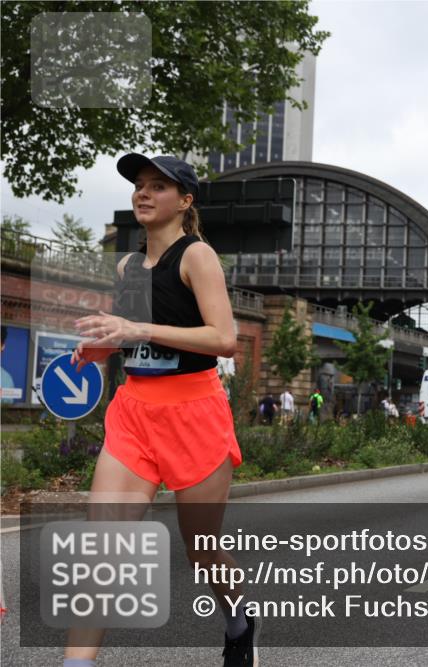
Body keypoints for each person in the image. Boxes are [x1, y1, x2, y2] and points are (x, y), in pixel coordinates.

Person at [66, 154, 255, 666]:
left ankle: (239, 621)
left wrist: (137, 329)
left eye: (158, 187)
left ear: (185, 201)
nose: (143, 194)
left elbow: (224, 339)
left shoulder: (198, 257)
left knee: (201, 550)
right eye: (139, 186)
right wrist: (100, 346)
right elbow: (128, 336)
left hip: (194, 412)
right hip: (134, 413)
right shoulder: (127, 265)